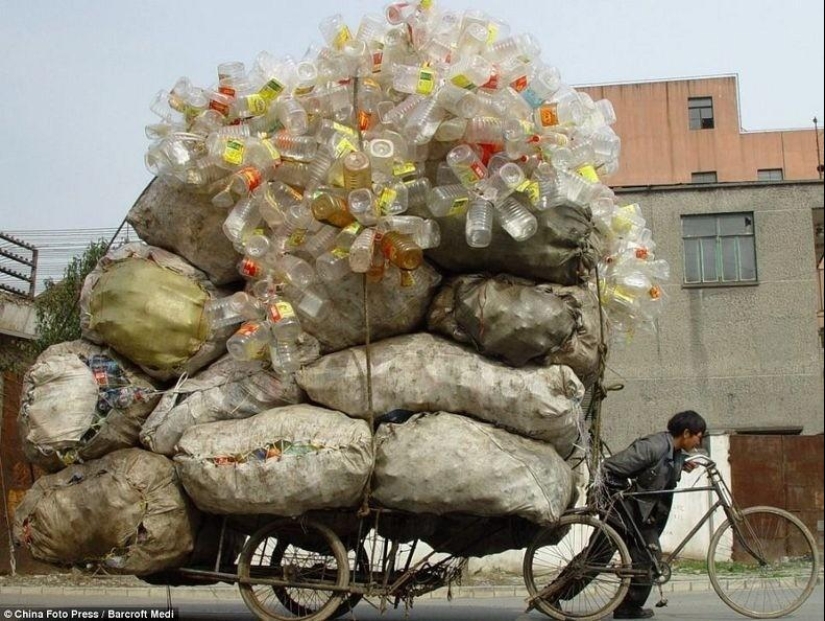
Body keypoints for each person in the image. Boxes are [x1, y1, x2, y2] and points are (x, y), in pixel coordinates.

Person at [549, 410, 707, 620]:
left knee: (647, 558)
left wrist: (681, 464)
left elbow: (659, 471)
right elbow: (610, 468)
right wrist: (619, 497)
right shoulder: (653, 446)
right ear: (686, 433)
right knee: (598, 555)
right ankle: (553, 596)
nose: (700, 440)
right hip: (620, 507)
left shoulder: (673, 452)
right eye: (699, 435)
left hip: (639, 514)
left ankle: (629, 608)